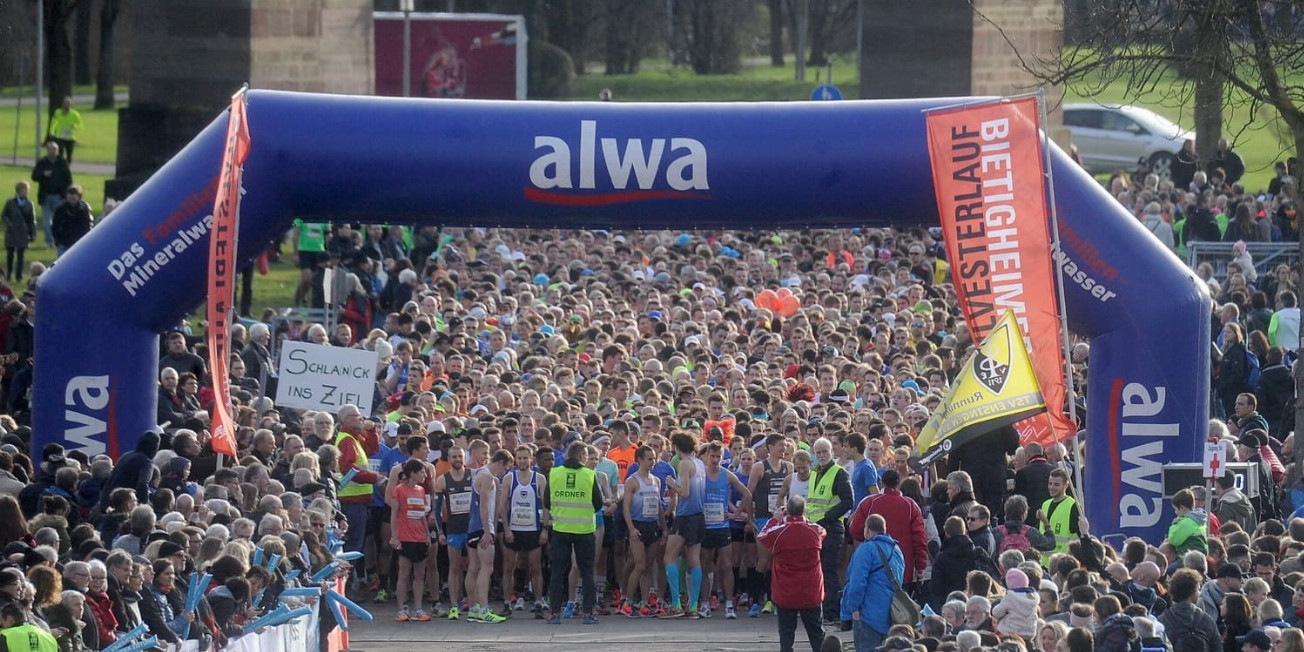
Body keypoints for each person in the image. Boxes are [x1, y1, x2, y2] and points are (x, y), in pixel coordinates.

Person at [758, 495, 826, 652]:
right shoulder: (816, 531)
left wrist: (775, 519)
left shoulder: (778, 532)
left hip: (785, 592)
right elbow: (822, 532)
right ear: (804, 510)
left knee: (786, 638)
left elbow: (762, 536)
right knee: (817, 635)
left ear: (787, 510)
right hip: (811, 592)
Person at [545, 440, 603, 625]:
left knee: (557, 572)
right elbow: (599, 503)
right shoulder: (589, 475)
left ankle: (554, 613)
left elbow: (547, 501)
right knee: (587, 573)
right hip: (584, 530)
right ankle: (588, 613)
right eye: (586, 456)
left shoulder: (554, 473)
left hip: (561, 528)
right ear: (581, 456)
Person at [660, 432, 707, 619]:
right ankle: (693, 605)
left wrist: (673, 484)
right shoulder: (700, 463)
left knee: (669, 558)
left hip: (685, 515)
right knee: (694, 560)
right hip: (698, 516)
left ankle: (676, 604)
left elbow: (685, 492)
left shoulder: (685, 463)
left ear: (678, 447)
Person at [841, 513, 904, 652]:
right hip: (892, 613)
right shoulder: (896, 549)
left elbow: (857, 582)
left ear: (867, 529)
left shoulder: (866, 549)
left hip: (868, 614)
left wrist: (853, 607)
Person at [806, 437, 853, 624]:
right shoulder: (814, 472)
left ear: (832, 452)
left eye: (825, 452)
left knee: (829, 569)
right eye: (818, 453)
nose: (822, 455)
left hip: (831, 528)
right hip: (815, 529)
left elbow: (848, 501)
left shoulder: (838, 473)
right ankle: (821, 607)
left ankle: (831, 610)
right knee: (818, 570)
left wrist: (828, 518)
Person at [464, 449, 511, 623]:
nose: (503, 472)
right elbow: (483, 506)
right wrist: (486, 530)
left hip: (473, 526)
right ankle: (483, 609)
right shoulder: (488, 477)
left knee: (474, 567)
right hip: (483, 526)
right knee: (487, 567)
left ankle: (474, 608)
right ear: (501, 463)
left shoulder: (479, 474)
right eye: (504, 468)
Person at [389, 458, 431, 623]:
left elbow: (422, 515)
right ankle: (401, 608)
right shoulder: (399, 490)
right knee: (404, 574)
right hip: (405, 537)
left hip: (420, 537)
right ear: (412, 473)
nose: (425, 475)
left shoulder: (421, 490)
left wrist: (427, 533)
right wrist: (394, 536)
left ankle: (418, 608)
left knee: (420, 575)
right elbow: (394, 515)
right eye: (422, 472)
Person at [29, 141, 70, 249]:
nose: (52, 151)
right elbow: (34, 176)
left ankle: (58, 240)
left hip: (59, 196)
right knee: (47, 221)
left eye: (54, 149)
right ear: (47, 150)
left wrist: (67, 194)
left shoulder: (62, 162)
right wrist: (43, 174)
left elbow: (68, 179)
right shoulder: (43, 162)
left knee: (59, 221)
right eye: (50, 149)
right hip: (46, 196)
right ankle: (48, 241)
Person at [1, 183, 35, 283]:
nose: (26, 192)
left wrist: (32, 233)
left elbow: (31, 220)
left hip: (23, 233)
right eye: (25, 190)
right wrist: (9, 223)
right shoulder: (10, 203)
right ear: (19, 190)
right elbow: (4, 215)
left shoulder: (29, 204)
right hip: (11, 233)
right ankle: (9, 274)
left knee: (21, 256)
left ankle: (18, 276)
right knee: (10, 255)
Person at [45, 97, 83, 165]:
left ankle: (68, 166)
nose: (67, 106)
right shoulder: (58, 112)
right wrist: (52, 131)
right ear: (62, 104)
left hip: (70, 137)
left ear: (71, 105)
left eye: (68, 104)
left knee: (69, 154)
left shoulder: (75, 114)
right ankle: (61, 165)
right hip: (60, 136)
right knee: (60, 152)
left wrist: (75, 126)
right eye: (65, 104)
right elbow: (54, 122)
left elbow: (80, 125)